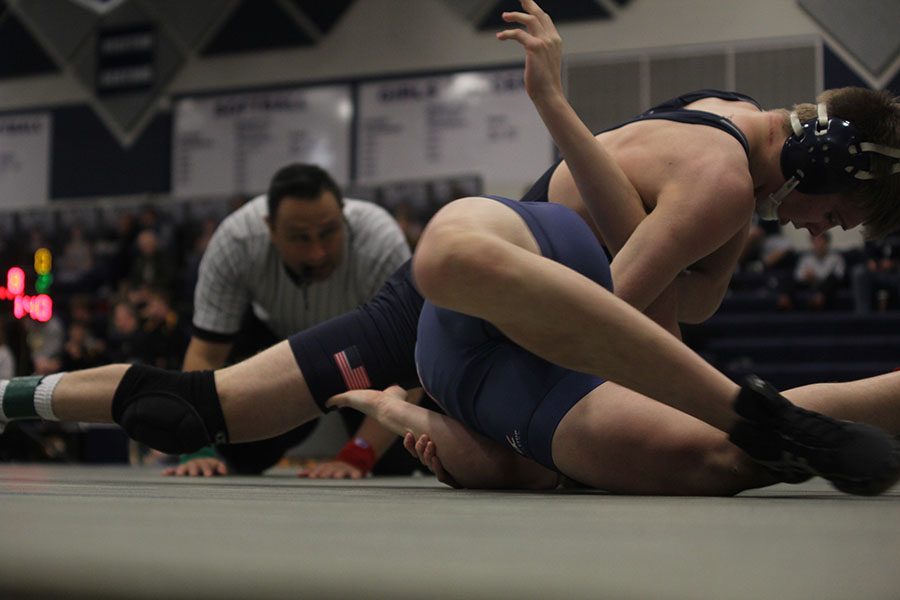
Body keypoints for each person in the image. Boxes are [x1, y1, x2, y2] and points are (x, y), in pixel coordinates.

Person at [1, 1, 899, 495]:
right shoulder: (726, 185)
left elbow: (668, 296)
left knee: (190, 411)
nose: (822, 232)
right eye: (840, 212)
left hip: (504, 291)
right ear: (827, 161)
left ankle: (12, 398)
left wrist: (426, 422)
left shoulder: (727, 115)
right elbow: (611, 314)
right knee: (629, 427)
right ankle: (14, 396)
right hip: (523, 293)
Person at [169, 163, 417, 478]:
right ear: (270, 227)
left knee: (396, 461)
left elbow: (412, 365)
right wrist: (195, 447)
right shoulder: (236, 242)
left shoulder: (380, 240)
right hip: (274, 344)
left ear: (343, 214)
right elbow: (206, 352)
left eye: (328, 232)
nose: (317, 253)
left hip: (361, 352)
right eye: (300, 238)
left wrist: (358, 455)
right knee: (244, 455)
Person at [786, 232, 846, 310]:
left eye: (820, 241)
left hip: (828, 286)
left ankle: (819, 298)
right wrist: (806, 276)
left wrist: (816, 276)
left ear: (827, 242)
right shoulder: (805, 258)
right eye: (815, 241)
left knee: (831, 279)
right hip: (809, 285)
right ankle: (784, 300)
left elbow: (839, 276)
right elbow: (798, 276)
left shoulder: (836, 258)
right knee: (788, 279)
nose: (818, 244)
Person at [851, 232, 900, 313]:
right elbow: (868, 256)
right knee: (859, 272)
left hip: (895, 272)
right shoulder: (873, 228)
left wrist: (894, 263)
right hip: (876, 272)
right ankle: (863, 317)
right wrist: (872, 262)